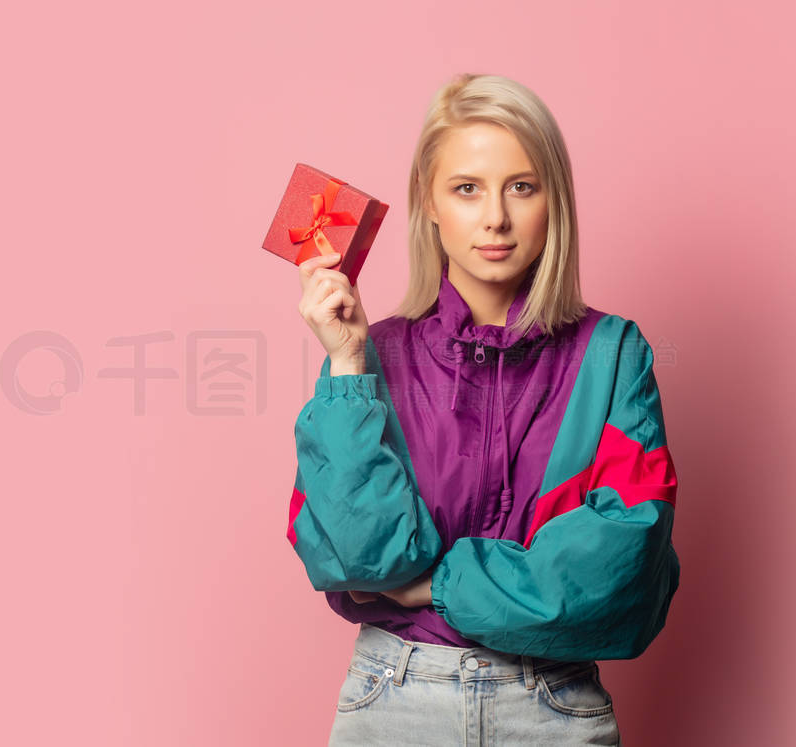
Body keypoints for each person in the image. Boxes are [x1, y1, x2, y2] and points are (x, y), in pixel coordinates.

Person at [289, 73, 679, 746]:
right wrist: (348, 361)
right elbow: (354, 558)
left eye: (521, 186)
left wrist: (436, 583)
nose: (495, 217)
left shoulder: (612, 355)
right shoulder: (369, 355)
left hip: (552, 705)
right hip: (394, 700)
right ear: (430, 204)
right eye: (466, 188)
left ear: (553, 201)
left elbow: (622, 574)